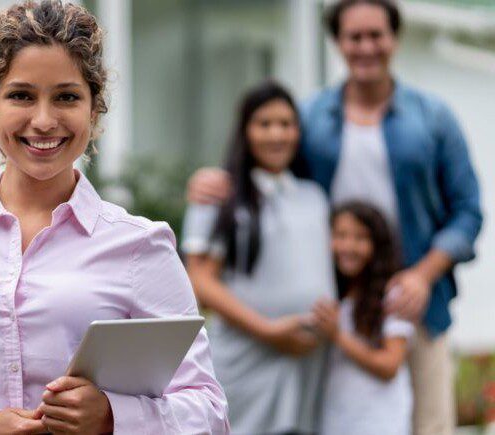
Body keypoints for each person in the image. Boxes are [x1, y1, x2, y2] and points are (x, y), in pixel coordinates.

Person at [0, 2, 229, 434]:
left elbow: (209, 411)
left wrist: (114, 417)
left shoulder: (142, 246)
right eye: (21, 95)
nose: (43, 120)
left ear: (94, 109)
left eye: (66, 97)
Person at [186, 1, 482, 433]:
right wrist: (211, 178)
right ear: (339, 43)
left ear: (394, 39)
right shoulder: (311, 119)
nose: (366, 47)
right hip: (335, 317)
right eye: (354, 37)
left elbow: (468, 211)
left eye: (376, 35)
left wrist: (422, 275)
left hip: (413, 305)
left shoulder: (433, 118)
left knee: (428, 425)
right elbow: (268, 170)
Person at [182, 81, 335, 435]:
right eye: (264, 124)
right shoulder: (221, 193)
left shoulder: (314, 197)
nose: (276, 134)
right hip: (246, 358)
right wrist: (269, 331)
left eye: (286, 123)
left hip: (308, 359)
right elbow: (199, 280)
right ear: (245, 131)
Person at [313, 201, 414, 435]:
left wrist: (338, 336)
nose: (348, 246)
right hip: (337, 420)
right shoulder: (333, 293)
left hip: (379, 422)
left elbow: (390, 365)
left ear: (377, 245)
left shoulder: (394, 294)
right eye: (340, 235)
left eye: (360, 238)